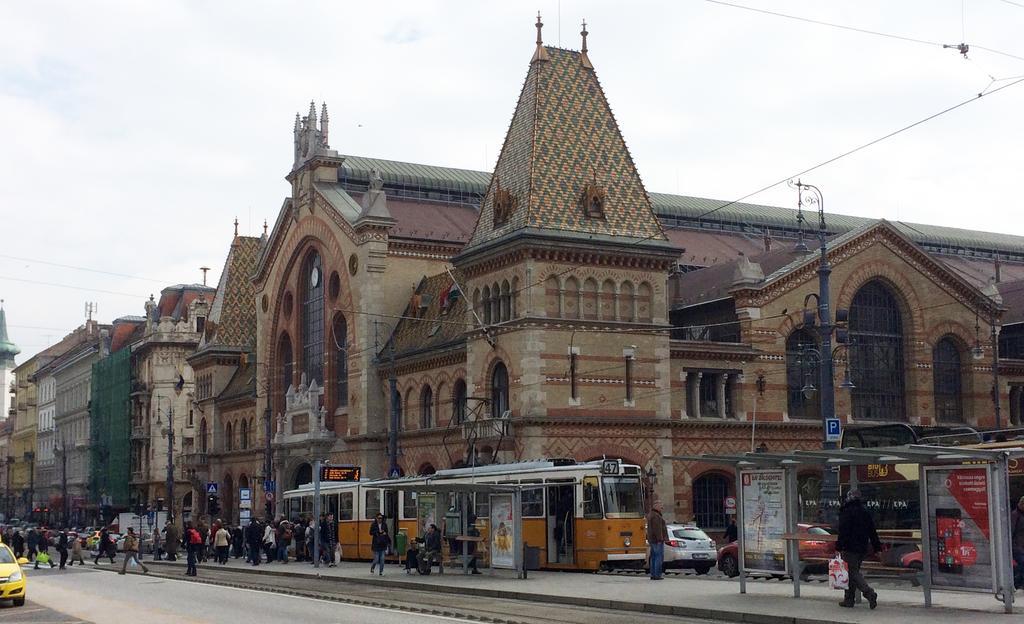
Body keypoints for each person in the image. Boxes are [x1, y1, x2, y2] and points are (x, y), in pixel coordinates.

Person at [836, 490, 881, 609]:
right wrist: (877, 547)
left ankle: (869, 593)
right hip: (862, 548)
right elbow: (872, 530)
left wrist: (839, 547)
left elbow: (843, 531)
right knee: (852, 573)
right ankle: (849, 600)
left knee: (852, 573)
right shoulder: (865, 511)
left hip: (850, 548)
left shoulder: (846, 511)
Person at [646, 500, 669, 580]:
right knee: (658, 557)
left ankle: (653, 574)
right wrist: (660, 539)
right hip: (657, 540)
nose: (662, 508)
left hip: (652, 540)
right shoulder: (656, 516)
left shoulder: (651, 515)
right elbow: (657, 529)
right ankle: (657, 575)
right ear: (656, 506)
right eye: (661, 506)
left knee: (653, 557)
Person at [1011, 495, 1024, 590]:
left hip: (1021, 546)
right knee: (1022, 563)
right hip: (1017, 547)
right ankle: (1016, 583)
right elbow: (1011, 531)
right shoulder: (1015, 515)